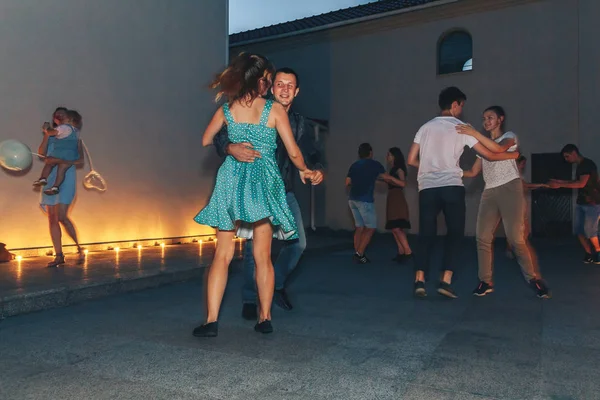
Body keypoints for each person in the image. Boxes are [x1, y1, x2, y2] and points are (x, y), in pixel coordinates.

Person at [192, 53, 316, 337]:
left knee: (222, 255)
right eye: (270, 80)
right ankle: (265, 317)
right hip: (262, 182)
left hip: (231, 181)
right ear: (261, 81)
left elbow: (205, 139)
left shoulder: (228, 109)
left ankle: (211, 321)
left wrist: (232, 143)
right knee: (262, 256)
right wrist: (305, 170)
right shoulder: (273, 110)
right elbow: (294, 151)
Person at [213, 67, 324, 320]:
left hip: (284, 191)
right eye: (280, 84)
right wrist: (230, 147)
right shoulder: (254, 110)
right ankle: (252, 298)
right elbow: (220, 136)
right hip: (256, 191)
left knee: (299, 243)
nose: (284, 89)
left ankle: (275, 285)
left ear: (296, 92)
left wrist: (316, 170)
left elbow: (311, 153)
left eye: (290, 85)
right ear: (272, 88)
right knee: (256, 249)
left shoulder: (299, 123)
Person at [407, 87, 518, 298]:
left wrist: (430, 168)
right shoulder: (462, 128)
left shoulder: (425, 127)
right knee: (455, 233)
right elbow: (490, 155)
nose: (461, 110)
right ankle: (445, 281)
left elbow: (411, 160)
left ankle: (419, 280)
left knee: (425, 234)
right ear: (455, 104)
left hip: (427, 188)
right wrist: (512, 156)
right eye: (461, 106)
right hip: (451, 186)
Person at [458, 106, 550, 298]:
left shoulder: (509, 136)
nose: (486, 121)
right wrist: (453, 172)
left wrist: (473, 133)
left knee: (515, 238)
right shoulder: (482, 147)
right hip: (489, 192)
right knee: (482, 236)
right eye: (483, 118)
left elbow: (498, 149)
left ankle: (534, 278)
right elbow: (474, 172)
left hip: (510, 188)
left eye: (490, 117)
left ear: (500, 119)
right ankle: (485, 281)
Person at [37, 107, 85, 267]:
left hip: (66, 178)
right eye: (56, 114)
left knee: (62, 217)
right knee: (52, 218)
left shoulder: (74, 138)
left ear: (68, 119)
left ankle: (79, 249)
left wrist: (60, 161)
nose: (59, 116)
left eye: (63, 113)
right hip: (50, 178)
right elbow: (42, 153)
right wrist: (46, 134)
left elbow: (80, 161)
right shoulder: (52, 136)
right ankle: (59, 255)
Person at [549, 144, 600, 264]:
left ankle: (598, 252)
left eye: (567, 156)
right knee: (579, 230)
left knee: (590, 231)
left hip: (592, 202)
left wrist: (560, 185)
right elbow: (577, 181)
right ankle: (589, 254)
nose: (567, 160)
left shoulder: (587, 164)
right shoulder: (580, 166)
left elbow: (581, 184)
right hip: (582, 202)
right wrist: (560, 181)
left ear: (574, 153)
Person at [346, 143, 395, 263]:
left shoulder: (354, 165)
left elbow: (347, 182)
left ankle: (358, 253)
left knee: (359, 227)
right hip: (365, 200)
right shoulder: (374, 164)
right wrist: (398, 181)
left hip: (352, 199)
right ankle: (359, 254)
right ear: (371, 152)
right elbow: (386, 178)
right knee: (371, 227)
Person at [34, 110, 82, 195]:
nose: (61, 117)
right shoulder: (75, 131)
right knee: (61, 171)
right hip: (70, 156)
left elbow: (51, 132)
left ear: (69, 120)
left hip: (60, 154)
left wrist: (47, 129)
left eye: (64, 116)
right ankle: (55, 186)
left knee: (49, 163)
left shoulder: (63, 127)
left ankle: (43, 178)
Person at [384, 147, 412, 262]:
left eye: (389, 155)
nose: (387, 157)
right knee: (394, 227)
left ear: (395, 156)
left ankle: (408, 252)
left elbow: (403, 183)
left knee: (397, 227)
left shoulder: (399, 169)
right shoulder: (393, 169)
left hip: (397, 198)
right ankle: (401, 252)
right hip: (392, 197)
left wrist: (389, 178)